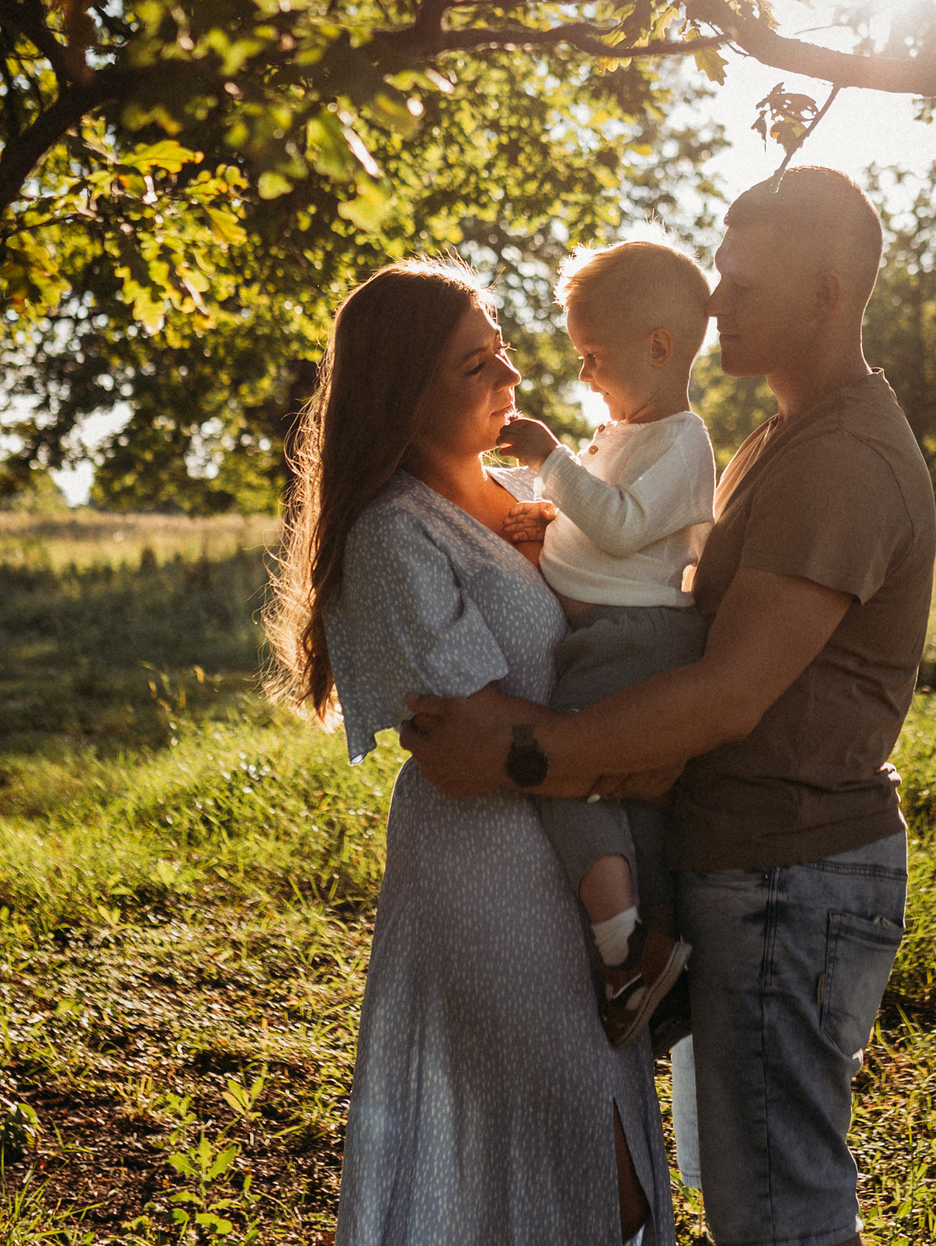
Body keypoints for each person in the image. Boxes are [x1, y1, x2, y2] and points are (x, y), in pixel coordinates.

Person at [402, 166, 936, 1246]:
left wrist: (527, 754)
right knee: (728, 1183)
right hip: (743, 861)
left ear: (827, 294)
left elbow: (730, 693)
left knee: (775, 1210)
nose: (713, 307)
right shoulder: (778, 441)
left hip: (792, 873)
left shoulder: (840, 461)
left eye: (739, 288)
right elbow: (684, 609)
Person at [265, 260, 673, 1246]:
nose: (510, 378)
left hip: (588, 871)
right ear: (402, 396)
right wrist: (641, 756)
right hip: (484, 876)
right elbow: (478, 741)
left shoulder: (536, 493)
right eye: (473, 363)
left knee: (610, 1158)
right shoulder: (394, 534)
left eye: (501, 349)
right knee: (593, 1175)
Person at [494, 240, 720, 1045]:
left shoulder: (682, 442)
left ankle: (620, 947)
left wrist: (550, 458)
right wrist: (547, 518)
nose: (584, 374)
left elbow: (624, 526)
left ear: (658, 346)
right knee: (626, 791)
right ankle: (659, 944)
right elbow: (598, 520)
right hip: (612, 636)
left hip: (636, 638)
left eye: (593, 355)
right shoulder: (620, 432)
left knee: (566, 769)